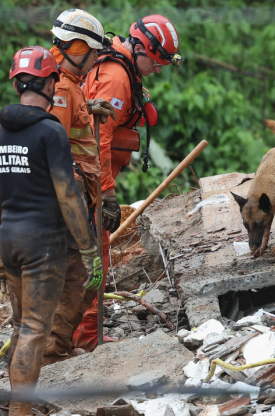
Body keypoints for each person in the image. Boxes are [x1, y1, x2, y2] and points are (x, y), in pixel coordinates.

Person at [0, 46, 98, 416]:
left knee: (20, 327)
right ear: (49, 82)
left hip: (11, 240)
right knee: (35, 330)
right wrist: (88, 245)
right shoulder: (51, 131)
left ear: (17, 83)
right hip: (43, 244)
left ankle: (17, 408)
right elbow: (68, 194)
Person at [74, 14, 182, 350]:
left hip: (82, 176)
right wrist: (105, 192)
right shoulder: (117, 77)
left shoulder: (119, 68)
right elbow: (99, 138)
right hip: (85, 180)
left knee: (88, 257)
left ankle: (78, 332)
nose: (159, 68)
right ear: (139, 48)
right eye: (157, 61)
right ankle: (88, 338)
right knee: (96, 257)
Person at [39, 8, 116, 366]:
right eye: (94, 52)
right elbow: (56, 149)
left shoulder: (69, 85)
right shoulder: (62, 90)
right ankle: (54, 351)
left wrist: (89, 107)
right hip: (69, 201)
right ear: (76, 46)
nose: (97, 60)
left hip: (77, 197)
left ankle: (58, 346)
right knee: (82, 275)